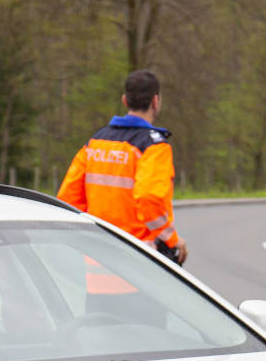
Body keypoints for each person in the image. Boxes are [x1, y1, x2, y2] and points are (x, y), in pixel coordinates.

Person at [57, 70, 188, 264]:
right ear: (155, 101)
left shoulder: (95, 142)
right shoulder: (153, 147)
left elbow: (68, 200)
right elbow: (148, 199)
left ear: (125, 100)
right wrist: (172, 240)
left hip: (97, 264)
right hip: (138, 266)